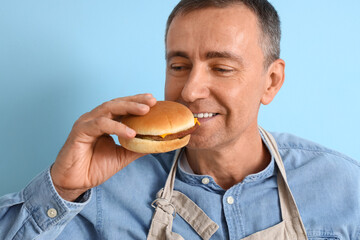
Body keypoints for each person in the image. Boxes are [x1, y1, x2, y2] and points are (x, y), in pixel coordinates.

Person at [1, 0, 359, 239]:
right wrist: (61, 188)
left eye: (221, 67)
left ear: (271, 81)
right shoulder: (102, 191)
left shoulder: (343, 186)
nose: (189, 90)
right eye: (178, 66)